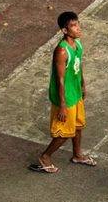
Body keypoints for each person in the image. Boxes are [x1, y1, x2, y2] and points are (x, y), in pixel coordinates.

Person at [31, 12, 95, 173]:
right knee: (64, 133)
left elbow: (79, 66)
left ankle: (77, 155)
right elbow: (60, 79)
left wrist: (82, 85)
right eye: (73, 26)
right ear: (65, 30)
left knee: (78, 126)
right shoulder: (61, 51)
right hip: (65, 97)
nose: (78, 28)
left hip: (75, 93)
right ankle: (45, 156)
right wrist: (62, 105)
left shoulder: (78, 45)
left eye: (77, 24)